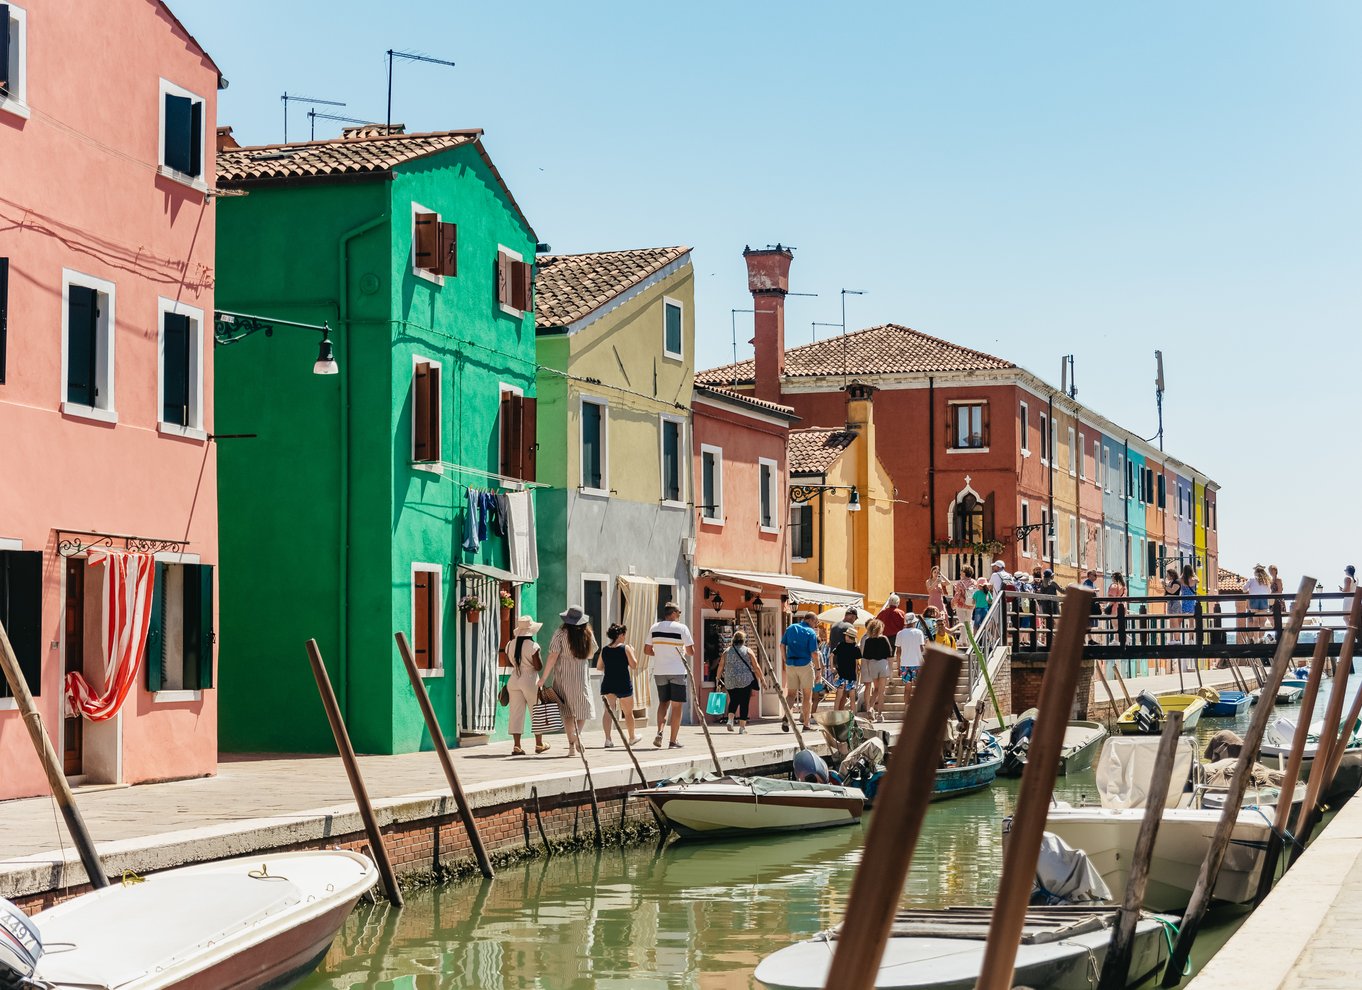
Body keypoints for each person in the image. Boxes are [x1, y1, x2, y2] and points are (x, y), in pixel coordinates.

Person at [541, 606, 597, 758]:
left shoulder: (560, 634)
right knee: (582, 709)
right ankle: (577, 735)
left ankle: (572, 745)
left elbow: (553, 656)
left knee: (567, 713)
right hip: (581, 677)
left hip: (563, 677)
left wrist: (543, 678)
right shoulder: (588, 633)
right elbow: (592, 653)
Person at [645, 602, 695, 750]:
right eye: (679, 612)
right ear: (673, 613)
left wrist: (659, 653)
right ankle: (673, 741)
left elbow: (647, 650)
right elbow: (691, 652)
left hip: (660, 671)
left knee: (663, 703)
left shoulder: (654, 627)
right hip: (678, 671)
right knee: (677, 706)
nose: (679, 615)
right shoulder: (682, 628)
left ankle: (660, 732)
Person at [505, 614, 547, 756]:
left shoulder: (510, 644)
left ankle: (517, 746)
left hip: (514, 678)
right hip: (529, 678)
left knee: (516, 712)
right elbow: (538, 666)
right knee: (536, 710)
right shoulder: (533, 645)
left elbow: (509, 661)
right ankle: (539, 744)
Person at [596, 623, 639, 749]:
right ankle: (631, 737)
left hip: (609, 682)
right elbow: (634, 665)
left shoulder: (605, 649)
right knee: (628, 712)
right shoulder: (626, 648)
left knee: (608, 711)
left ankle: (608, 740)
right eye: (624, 634)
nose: (625, 637)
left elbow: (599, 667)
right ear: (620, 635)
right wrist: (633, 652)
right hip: (623, 683)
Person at [779, 611, 822, 732]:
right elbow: (814, 653)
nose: (816, 625)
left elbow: (782, 645)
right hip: (804, 665)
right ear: (811, 620)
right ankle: (806, 725)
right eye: (816, 623)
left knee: (791, 694)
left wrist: (785, 660)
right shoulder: (810, 632)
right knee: (807, 696)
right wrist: (818, 670)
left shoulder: (791, 628)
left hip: (791, 664)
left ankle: (786, 717)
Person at [719, 630, 763, 734]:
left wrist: (717, 677)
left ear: (733, 640)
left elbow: (721, 665)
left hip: (730, 680)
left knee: (733, 700)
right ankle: (742, 728)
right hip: (745, 680)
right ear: (743, 641)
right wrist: (762, 679)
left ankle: (730, 720)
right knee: (744, 702)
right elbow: (756, 666)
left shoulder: (727, 651)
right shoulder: (748, 651)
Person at [860, 618, 893, 723]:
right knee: (881, 691)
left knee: (876, 689)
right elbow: (890, 654)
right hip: (883, 664)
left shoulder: (868, 640)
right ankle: (879, 714)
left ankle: (870, 708)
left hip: (872, 665)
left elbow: (866, 656)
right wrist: (890, 670)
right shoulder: (884, 639)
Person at [894, 612, 927, 702]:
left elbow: (898, 652)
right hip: (918, 664)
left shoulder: (900, 634)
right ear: (914, 622)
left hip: (905, 664)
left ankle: (906, 708)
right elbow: (922, 649)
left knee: (907, 689)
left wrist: (898, 666)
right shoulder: (919, 632)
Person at [831, 625, 862, 713]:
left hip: (841, 675)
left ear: (848, 636)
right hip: (851, 676)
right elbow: (857, 662)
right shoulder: (856, 648)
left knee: (838, 697)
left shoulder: (840, 645)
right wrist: (857, 673)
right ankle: (853, 717)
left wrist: (832, 667)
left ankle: (835, 715)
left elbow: (831, 655)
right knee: (852, 698)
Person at [1245, 565, 1271, 644]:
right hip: (1264, 599)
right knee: (1262, 620)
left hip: (1254, 599)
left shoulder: (1252, 579)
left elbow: (1244, 589)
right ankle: (1261, 638)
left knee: (1255, 620)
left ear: (1255, 572)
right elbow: (1269, 592)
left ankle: (1256, 639)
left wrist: (1250, 589)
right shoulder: (1267, 580)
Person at [1037, 569, 1061, 647]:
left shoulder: (1042, 584)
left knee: (1049, 625)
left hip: (1045, 606)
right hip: (1054, 605)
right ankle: (1058, 641)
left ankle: (1050, 642)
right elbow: (1062, 591)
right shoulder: (1053, 583)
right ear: (1051, 576)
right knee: (1058, 624)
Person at [1163, 567, 1183, 645]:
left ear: (1171, 575)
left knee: (1175, 623)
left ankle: (1177, 640)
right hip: (1170, 603)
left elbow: (1172, 591)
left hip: (1175, 603)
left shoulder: (1176, 582)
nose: (1167, 576)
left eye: (1167, 575)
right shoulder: (1171, 582)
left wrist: (1164, 585)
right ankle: (1174, 639)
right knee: (1172, 622)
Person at [1106, 572, 1127, 645]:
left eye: (1112, 576)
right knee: (1120, 624)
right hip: (1123, 606)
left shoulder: (1114, 586)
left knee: (1115, 625)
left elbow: (1112, 598)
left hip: (1115, 607)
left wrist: (1108, 606)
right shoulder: (1123, 586)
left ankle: (1116, 640)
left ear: (1114, 577)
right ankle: (1123, 639)